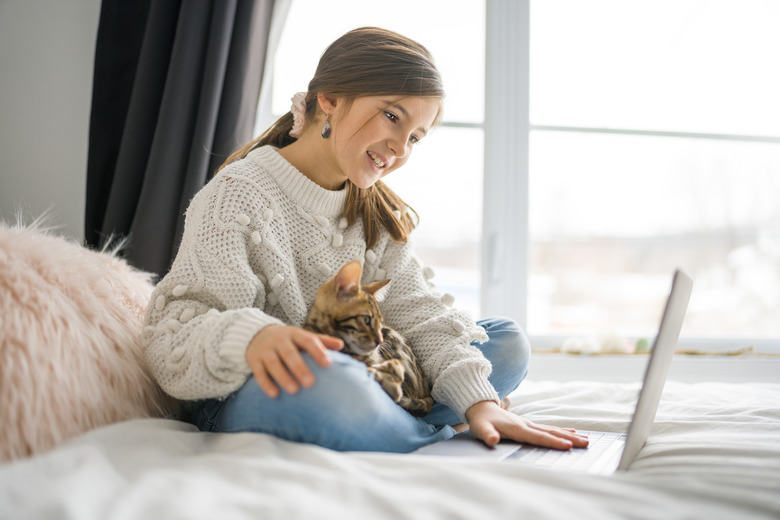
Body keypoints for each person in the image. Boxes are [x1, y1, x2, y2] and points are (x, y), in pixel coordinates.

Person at [143, 26, 588, 453]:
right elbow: (173, 335)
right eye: (392, 117)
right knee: (334, 384)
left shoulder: (373, 209)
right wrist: (253, 337)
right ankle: (426, 433)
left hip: (357, 375)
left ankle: (386, 425)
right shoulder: (238, 192)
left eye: (415, 136)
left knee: (507, 343)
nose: (401, 147)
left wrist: (480, 401)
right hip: (251, 390)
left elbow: (419, 313)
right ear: (330, 98)